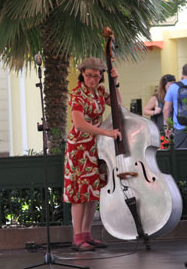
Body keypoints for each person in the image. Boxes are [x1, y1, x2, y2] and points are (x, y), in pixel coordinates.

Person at [63, 57, 122, 252]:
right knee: (80, 193)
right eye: (89, 76)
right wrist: (107, 133)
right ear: (82, 74)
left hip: (96, 147)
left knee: (92, 193)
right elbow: (79, 124)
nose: (93, 80)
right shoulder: (77, 95)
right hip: (79, 147)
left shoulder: (100, 92)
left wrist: (116, 83)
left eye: (97, 76)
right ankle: (77, 237)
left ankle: (87, 234)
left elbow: (118, 105)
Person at [143, 74, 175, 149]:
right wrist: (154, 112)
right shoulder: (156, 98)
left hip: (173, 129)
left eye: (173, 87)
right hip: (161, 130)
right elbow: (145, 110)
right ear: (163, 87)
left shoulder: (175, 97)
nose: (171, 89)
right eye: (169, 87)